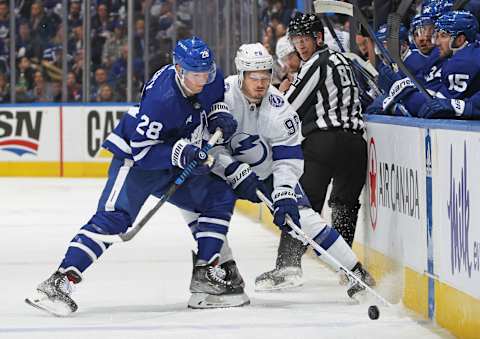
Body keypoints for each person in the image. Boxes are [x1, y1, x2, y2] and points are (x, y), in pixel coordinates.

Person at [25, 36, 243, 316]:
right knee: (115, 218)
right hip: (138, 161)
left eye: (206, 72)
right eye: (195, 74)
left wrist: (218, 115)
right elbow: (144, 154)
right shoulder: (161, 100)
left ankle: (206, 273)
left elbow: (213, 101)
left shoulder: (209, 76)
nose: (202, 79)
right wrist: (185, 152)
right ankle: (59, 280)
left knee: (220, 196)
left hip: (175, 158)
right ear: (178, 68)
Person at [210, 43, 374, 297]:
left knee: (303, 218)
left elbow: (288, 155)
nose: (261, 84)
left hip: (267, 173)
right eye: (254, 78)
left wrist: (284, 190)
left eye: (266, 77)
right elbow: (209, 144)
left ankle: (354, 270)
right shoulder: (222, 96)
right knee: (208, 211)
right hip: (223, 172)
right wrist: (231, 167)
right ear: (241, 75)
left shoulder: (278, 108)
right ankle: (222, 270)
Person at [256, 13, 368, 290]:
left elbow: (289, 108)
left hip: (324, 144)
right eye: (296, 41)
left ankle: (288, 265)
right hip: (356, 145)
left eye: (305, 39)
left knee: (301, 206)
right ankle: (348, 271)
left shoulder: (316, 63)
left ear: (318, 38)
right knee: (344, 206)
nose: (301, 46)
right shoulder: (345, 60)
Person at [375, 10, 480, 119]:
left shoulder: (463, 61)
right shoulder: (442, 55)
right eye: (437, 35)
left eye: (443, 36)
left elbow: (434, 109)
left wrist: (396, 88)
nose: (436, 42)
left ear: (460, 40)